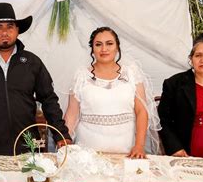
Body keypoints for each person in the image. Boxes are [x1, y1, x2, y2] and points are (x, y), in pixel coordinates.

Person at [0, 2, 72, 155]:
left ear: (17, 30)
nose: (4, 32)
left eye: (10, 26)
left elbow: (49, 100)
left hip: (29, 146)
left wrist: (62, 135)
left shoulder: (33, 62)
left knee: (31, 178)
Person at [63, 27, 162, 158]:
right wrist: (65, 140)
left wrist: (139, 145)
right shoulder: (81, 76)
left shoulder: (132, 73)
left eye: (109, 43)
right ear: (92, 49)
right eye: (98, 44)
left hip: (127, 149)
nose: (104, 49)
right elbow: (72, 114)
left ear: (117, 47)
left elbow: (141, 111)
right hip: (87, 151)